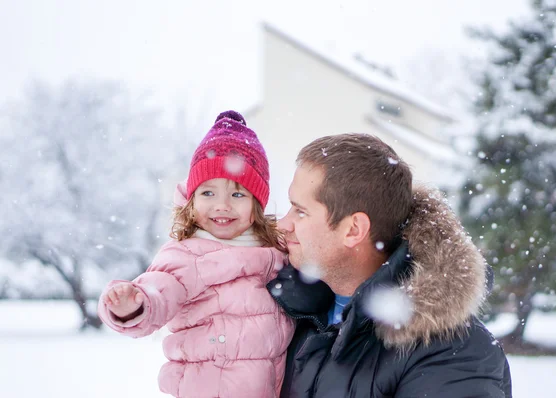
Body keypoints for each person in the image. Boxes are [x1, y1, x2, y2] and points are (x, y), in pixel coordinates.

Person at [268, 133, 512, 397]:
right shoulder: (283, 312)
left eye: (300, 211)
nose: (282, 224)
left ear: (353, 230)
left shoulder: (455, 353)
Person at [98, 110, 294, 398]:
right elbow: (159, 291)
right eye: (208, 193)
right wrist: (132, 304)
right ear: (191, 201)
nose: (222, 205)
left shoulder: (274, 253)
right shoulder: (185, 257)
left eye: (238, 195)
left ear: (257, 206)